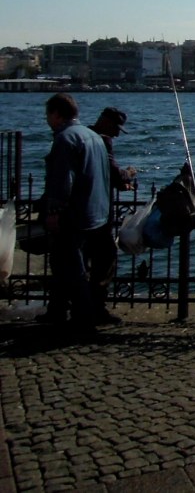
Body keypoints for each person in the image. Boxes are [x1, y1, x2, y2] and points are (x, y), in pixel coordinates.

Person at [41, 92, 112, 334]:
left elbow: (62, 180)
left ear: (57, 114)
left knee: (72, 268)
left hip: (75, 214)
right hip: (97, 213)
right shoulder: (93, 136)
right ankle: (59, 311)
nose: (47, 119)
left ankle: (83, 318)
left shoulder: (64, 139)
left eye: (48, 115)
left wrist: (54, 210)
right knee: (75, 267)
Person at [87, 107, 137, 325]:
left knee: (77, 260)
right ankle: (96, 309)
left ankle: (62, 307)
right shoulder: (101, 141)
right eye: (115, 128)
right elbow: (114, 172)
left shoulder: (83, 136)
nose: (117, 134)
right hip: (97, 212)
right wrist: (129, 174)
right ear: (104, 122)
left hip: (80, 210)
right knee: (105, 257)